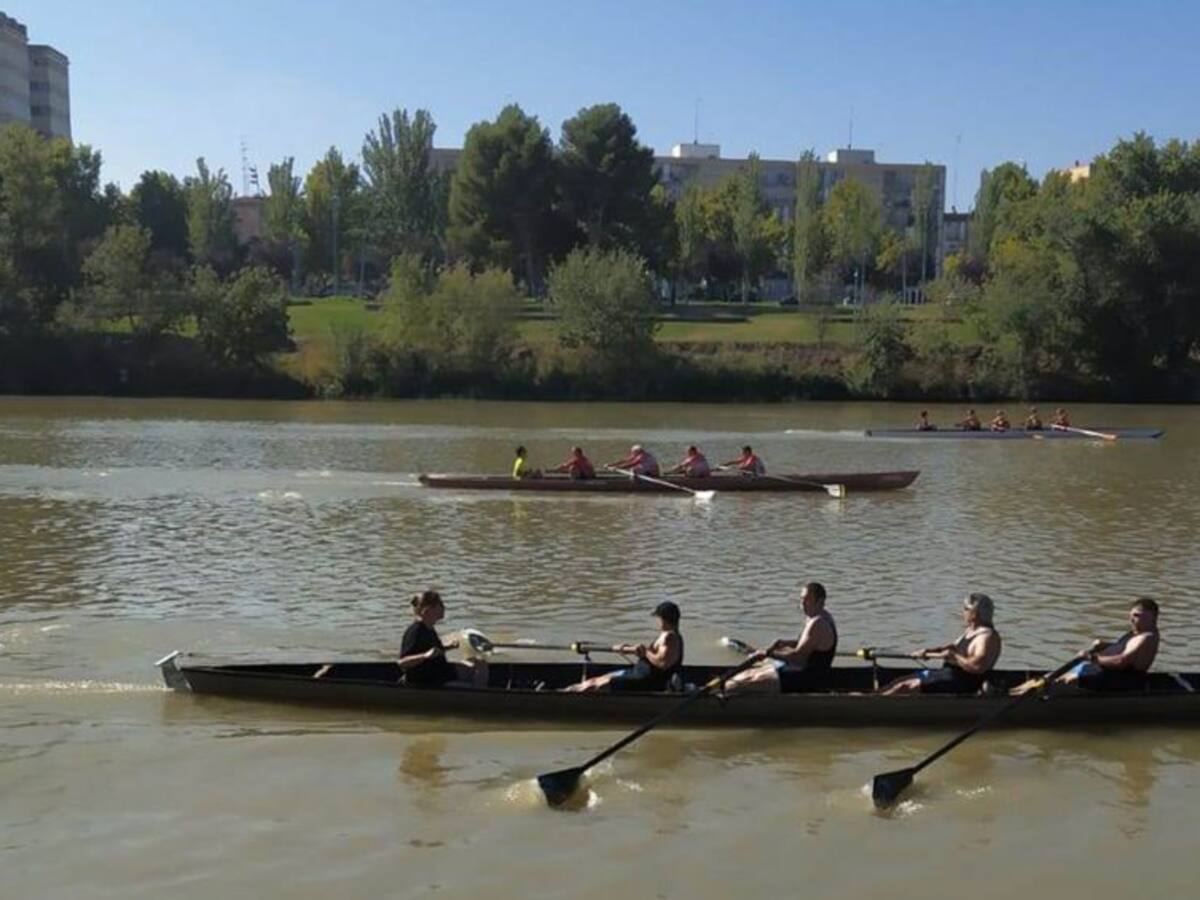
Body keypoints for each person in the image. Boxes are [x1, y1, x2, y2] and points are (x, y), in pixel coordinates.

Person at [722, 582, 837, 694]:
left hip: (805, 680)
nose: (802, 604)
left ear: (820, 601)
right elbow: (810, 645)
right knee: (748, 673)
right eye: (802, 599)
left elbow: (797, 658)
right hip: (797, 669)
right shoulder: (820, 616)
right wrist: (788, 643)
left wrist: (768, 653)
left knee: (737, 684)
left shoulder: (818, 623)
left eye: (807, 600)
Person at [878, 593, 1002, 695]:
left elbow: (977, 667)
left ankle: (872, 704)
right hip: (948, 674)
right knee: (901, 680)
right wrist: (928, 651)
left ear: (975, 613)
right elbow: (952, 648)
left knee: (906, 686)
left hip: (962, 683)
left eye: (965, 609)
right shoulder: (971, 630)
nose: (962, 612)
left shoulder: (986, 637)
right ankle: (872, 696)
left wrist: (954, 656)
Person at [564, 602, 684, 693]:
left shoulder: (671, 637)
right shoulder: (666, 634)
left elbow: (663, 663)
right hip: (638, 672)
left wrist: (646, 651)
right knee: (594, 680)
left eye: (658, 618)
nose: (657, 621)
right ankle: (566, 691)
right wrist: (629, 649)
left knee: (595, 686)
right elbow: (652, 655)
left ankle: (565, 696)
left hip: (646, 681)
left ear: (664, 619)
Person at [1058, 599, 1160, 692]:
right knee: (1072, 671)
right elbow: (1127, 650)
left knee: (1071, 680)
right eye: (1131, 615)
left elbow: (1121, 661)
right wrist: (1105, 645)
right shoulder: (1138, 632)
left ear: (1151, 617)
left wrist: (1091, 657)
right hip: (1116, 674)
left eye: (1137, 616)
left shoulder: (1146, 637)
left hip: (1128, 681)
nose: (1132, 619)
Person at [398, 590, 487, 688]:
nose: (444, 608)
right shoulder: (415, 631)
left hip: (439, 670)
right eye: (440, 605)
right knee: (479, 670)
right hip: (429, 679)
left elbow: (433, 651)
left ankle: (478, 692)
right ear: (428, 610)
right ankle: (477, 697)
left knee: (478, 663)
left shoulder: (429, 627)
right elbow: (402, 663)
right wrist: (424, 656)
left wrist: (449, 647)